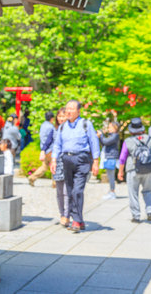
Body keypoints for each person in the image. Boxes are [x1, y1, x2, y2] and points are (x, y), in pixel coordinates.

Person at [51, 100, 100, 233]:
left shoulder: (86, 124)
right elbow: (57, 145)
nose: (69, 111)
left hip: (82, 159)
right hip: (66, 158)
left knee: (77, 191)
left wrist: (96, 161)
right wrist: (54, 160)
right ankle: (80, 220)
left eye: (72, 109)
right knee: (70, 190)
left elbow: (94, 142)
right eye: (67, 109)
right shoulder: (62, 127)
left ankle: (76, 220)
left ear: (78, 111)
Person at [118, 118, 151, 222]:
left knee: (133, 193)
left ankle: (136, 216)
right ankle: (149, 211)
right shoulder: (150, 139)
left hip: (133, 169)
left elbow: (122, 157)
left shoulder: (128, 141)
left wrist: (120, 172)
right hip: (149, 169)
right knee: (148, 191)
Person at [47, 108, 69, 227]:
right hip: (56, 162)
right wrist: (42, 151)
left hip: (67, 161)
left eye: (63, 116)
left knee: (66, 191)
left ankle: (66, 214)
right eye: (59, 116)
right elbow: (47, 142)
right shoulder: (54, 130)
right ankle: (62, 214)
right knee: (59, 190)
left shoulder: (70, 130)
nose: (61, 119)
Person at [28, 111, 55, 187]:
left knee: (45, 166)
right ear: (52, 118)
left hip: (44, 148)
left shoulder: (43, 125)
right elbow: (50, 139)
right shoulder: (51, 127)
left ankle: (32, 177)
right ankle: (55, 183)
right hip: (50, 148)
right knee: (54, 165)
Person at [98, 122, 120, 200]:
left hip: (111, 157)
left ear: (115, 128)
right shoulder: (112, 136)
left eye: (110, 127)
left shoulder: (115, 136)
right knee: (110, 175)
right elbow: (104, 143)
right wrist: (101, 137)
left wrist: (101, 135)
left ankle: (112, 192)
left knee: (111, 176)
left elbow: (105, 142)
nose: (108, 129)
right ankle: (111, 191)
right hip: (109, 157)